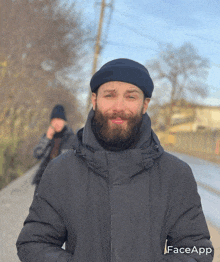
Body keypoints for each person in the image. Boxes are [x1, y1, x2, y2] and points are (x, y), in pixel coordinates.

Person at [16, 59, 214, 262]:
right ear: (94, 100)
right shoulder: (61, 171)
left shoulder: (175, 174)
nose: (119, 107)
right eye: (109, 95)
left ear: (145, 104)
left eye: (131, 96)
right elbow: (34, 244)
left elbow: (196, 249)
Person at [32, 104, 74, 191]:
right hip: (43, 181)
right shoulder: (48, 137)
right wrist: (47, 139)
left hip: (61, 183)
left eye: (59, 119)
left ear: (64, 121)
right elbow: (37, 154)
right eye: (53, 120)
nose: (56, 123)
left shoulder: (72, 138)